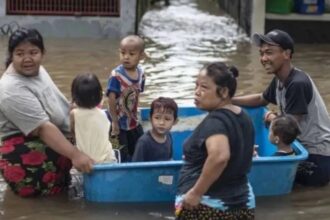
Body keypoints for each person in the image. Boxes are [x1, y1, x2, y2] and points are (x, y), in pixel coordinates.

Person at [0, 28, 94, 197]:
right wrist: (76, 155)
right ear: (12, 56)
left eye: (33, 52)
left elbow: (55, 101)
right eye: (20, 54)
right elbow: (42, 128)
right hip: (28, 157)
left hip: (53, 142)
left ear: (42, 53)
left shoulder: (38, 70)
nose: (27, 59)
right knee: (53, 204)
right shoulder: (10, 89)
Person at [232, 29, 330, 186]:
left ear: (286, 54)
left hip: (316, 157)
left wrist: (273, 118)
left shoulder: (297, 83)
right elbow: (260, 99)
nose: (263, 58)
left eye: (269, 53)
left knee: (267, 183)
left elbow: (288, 127)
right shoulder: (280, 79)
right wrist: (229, 101)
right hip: (301, 149)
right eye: (261, 53)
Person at [175, 62, 255, 219]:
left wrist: (196, 193)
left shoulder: (215, 121)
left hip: (209, 205)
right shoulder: (243, 116)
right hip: (243, 203)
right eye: (196, 86)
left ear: (224, 92)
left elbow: (220, 157)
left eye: (204, 87)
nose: (197, 92)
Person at [106, 35, 146, 162]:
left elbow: (137, 94)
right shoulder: (116, 76)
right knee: (120, 153)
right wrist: (114, 122)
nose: (126, 57)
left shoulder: (141, 74)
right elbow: (111, 99)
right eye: (123, 53)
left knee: (139, 148)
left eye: (131, 54)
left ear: (141, 56)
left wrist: (135, 112)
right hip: (118, 122)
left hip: (133, 120)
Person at [70, 73, 117, 163]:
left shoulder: (74, 114)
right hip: (108, 159)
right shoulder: (104, 114)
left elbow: (73, 132)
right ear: (99, 96)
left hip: (87, 162)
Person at [132, 97, 178, 162]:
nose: (161, 123)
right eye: (157, 118)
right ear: (150, 119)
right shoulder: (143, 142)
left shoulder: (168, 136)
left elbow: (169, 159)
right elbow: (135, 167)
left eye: (167, 119)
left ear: (175, 121)